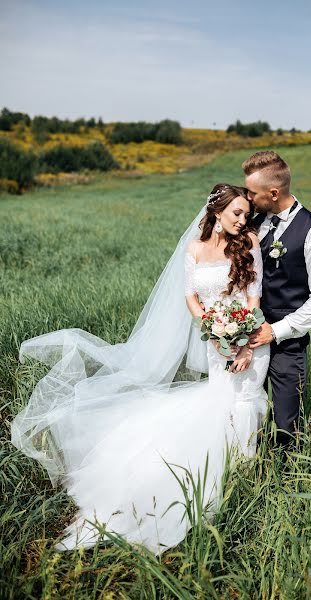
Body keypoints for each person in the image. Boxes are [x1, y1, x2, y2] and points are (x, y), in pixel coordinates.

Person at [10, 184, 270, 554]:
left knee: (243, 401)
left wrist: (243, 342)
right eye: (237, 214)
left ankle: (244, 474)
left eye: (246, 214)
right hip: (217, 342)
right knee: (219, 401)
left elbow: (254, 297)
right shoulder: (194, 248)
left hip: (251, 341)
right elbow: (191, 296)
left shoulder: (249, 244)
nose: (244, 221)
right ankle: (223, 472)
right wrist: (211, 328)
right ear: (216, 212)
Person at [243, 150, 311, 446]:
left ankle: (283, 479)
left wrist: (276, 331)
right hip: (246, 338)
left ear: (273, 192)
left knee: (286, 424)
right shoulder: (255, 223)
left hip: (288, 344)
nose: (247, 197)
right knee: (245, 412)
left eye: (252, 192)